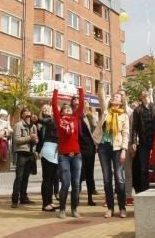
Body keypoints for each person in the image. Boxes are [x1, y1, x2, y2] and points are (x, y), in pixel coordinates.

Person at [93, 82, 130, 218]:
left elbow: (126, 133)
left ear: (121, 102)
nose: (114, 98)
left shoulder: (124, 116)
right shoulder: (105, 111)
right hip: (103, 147)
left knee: (119, 179)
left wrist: (124, 150)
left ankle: (122, 207)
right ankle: (110, 208)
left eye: (117, 97)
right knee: (107, 179)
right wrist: (101, 80)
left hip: (118, 147)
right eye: (113, 96)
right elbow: (101, 96)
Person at [53, 87, 86, 218]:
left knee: (76, 183)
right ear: (61, 112)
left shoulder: (76, 118)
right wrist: (56, 91)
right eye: (64, 108)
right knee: (66, 183)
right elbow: (54, 105)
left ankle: (74, 208)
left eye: (69, 108)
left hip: (76, 155)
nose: (67, 109)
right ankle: (62, 209)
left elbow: (82, 104)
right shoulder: (59, 120)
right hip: (64, 156)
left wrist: (81, 92)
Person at [130, 88, 155, 193]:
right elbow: (134, 128)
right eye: (143, 94)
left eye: (146, 93)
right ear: (140, 98)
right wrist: (133, 142)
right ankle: (144, 190)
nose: (145, 94)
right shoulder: (137, 110)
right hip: (144, 142)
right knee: (143, 168)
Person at [11, 107, 38, 209]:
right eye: (25, 112)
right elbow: (17, 140)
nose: (28, 113)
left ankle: (23, 197)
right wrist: (29, 137)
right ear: (22, 115)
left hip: (31, 153)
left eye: (29, 111)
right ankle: (14, 199)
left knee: (26, 177)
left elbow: (37, 140)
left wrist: (35, 139)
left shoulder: (33, 126)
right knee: (19, 177)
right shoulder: (18, 125)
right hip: (22, 153)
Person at [37, 103, 60, 212]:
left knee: (51, 178)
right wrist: (36, 118)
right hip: (49, 150)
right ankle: (45, 204)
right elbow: (42, 121)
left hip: (56, 152)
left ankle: (49, 201)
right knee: (47, 178)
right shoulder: (50, 119)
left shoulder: (60, 121)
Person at [78, 100, 99, 205]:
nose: (83, 105)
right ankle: (76, 197)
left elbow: (96, 129)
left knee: (89, 173)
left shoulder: (90, 116)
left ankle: (90, 198)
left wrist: (92, 115)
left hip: (89, 147)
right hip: (79, 147)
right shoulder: (76, 117)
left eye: (85, 103)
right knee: (79, 173)